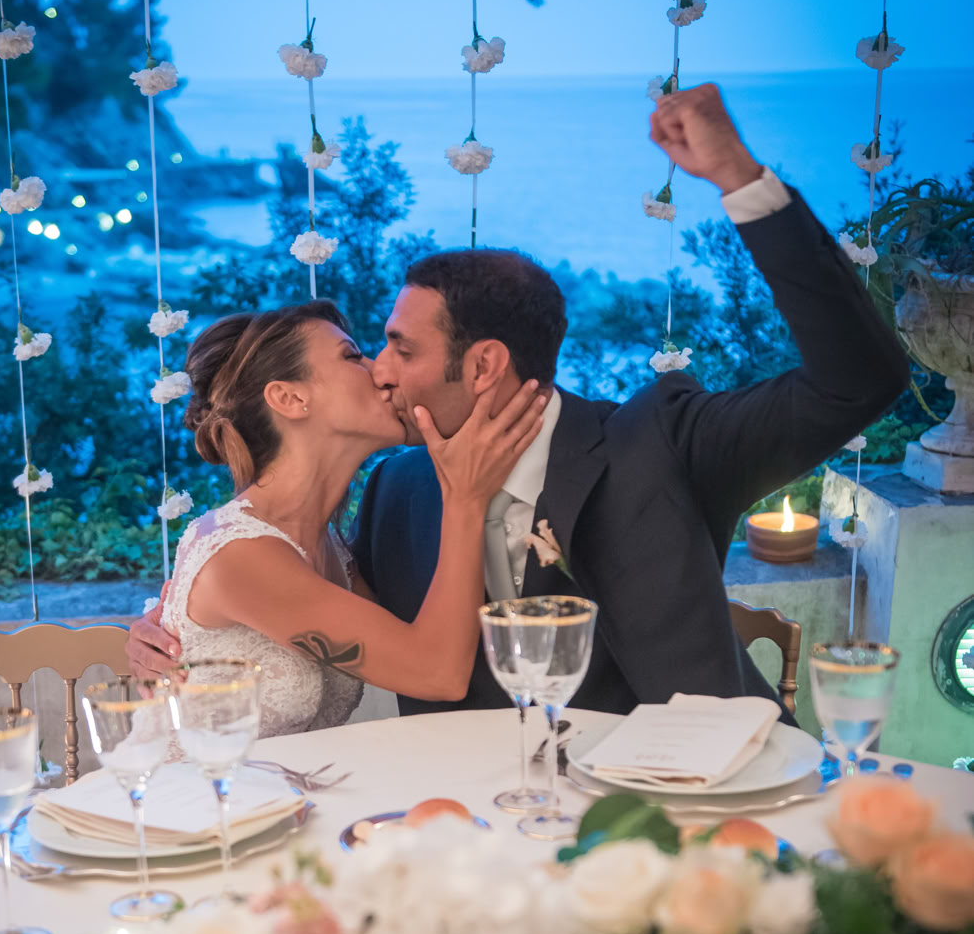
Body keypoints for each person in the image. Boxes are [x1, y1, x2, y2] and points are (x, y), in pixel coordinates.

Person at [128, 83, 908, 718]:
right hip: (480, 836)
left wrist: (742, 180)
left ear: (487, 364)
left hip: (700, 804)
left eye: (399, 348)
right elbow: (290, 609)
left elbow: (860, 380)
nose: (382, 375)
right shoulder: (395, 494)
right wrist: (165, 639)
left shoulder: (661, 442)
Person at [129, 300, 547, 734]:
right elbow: (437, 673)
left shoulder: (333, 547)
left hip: (282, 793)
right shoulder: (240, 553)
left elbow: (415, 640)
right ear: (290, 398)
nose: (383, 373)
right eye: (352, 356)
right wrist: (466, 497)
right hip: (194, 795)